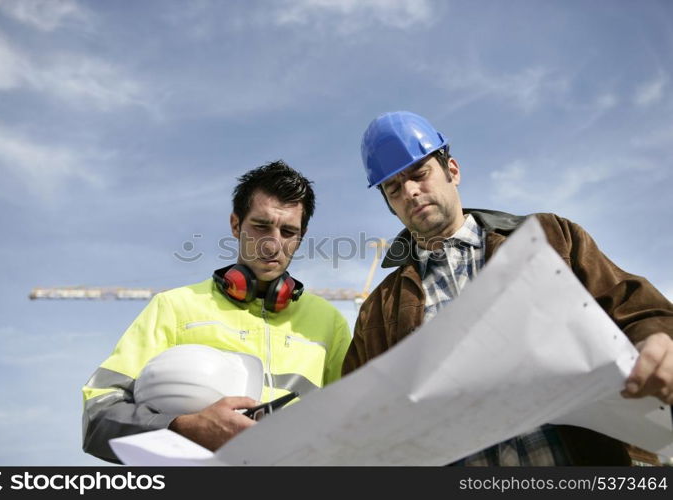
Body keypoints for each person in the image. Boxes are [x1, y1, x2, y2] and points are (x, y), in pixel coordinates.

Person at [344, 111, 673, 466]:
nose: (410, 191)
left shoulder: (550, 237)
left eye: (420, 174)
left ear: (452, 170)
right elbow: (356, 418)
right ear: (391, 206)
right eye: (394, 188)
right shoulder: (377, 311)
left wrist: (656, 339)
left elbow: (635, 306)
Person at [82, 161, 351, 463]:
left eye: (288, 231)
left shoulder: (330, 323)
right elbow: (99, 417)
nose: (273, 244)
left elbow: (357, 421)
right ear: (236, 225)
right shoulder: (173, 307)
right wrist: (182, 428)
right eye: (261, 226)